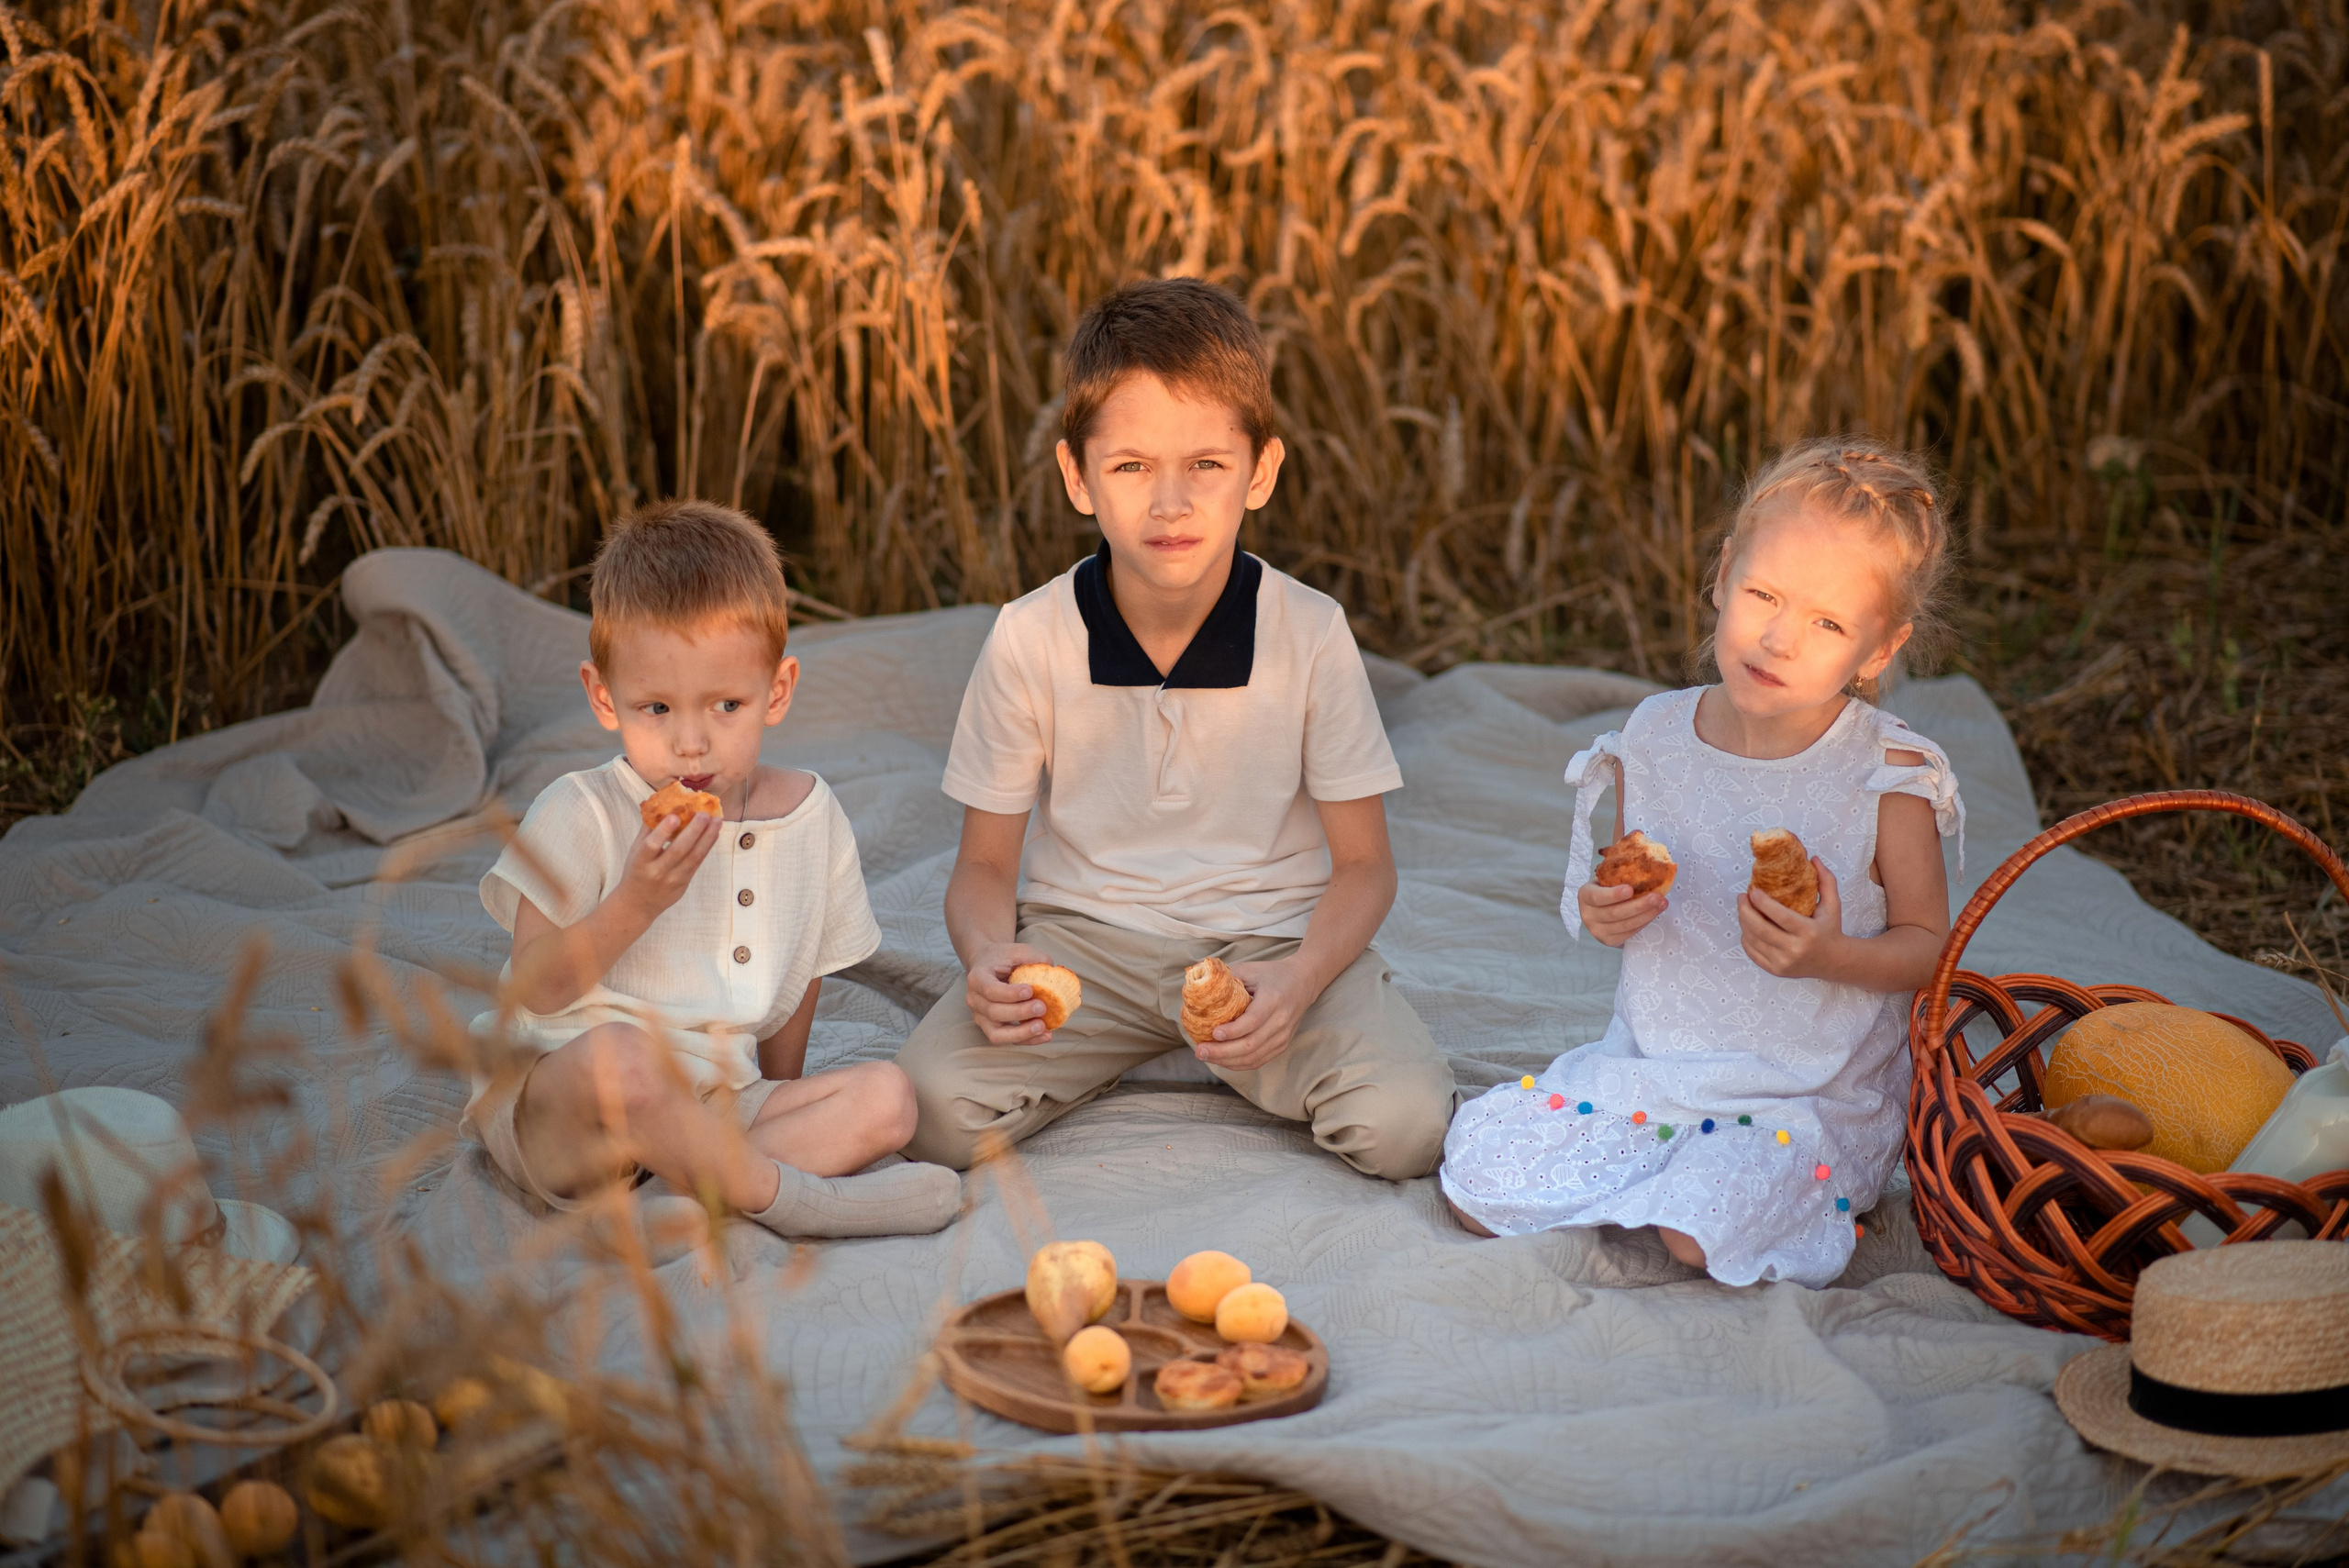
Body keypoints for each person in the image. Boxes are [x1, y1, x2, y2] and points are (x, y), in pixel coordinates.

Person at [896, 277, 1457, 1177]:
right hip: (1085, 944)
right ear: (1078, 477)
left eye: (1205, 464)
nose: (1169, 502)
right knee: (922, 1112)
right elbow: (985, 865)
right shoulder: (1030, 635)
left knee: (1406, 1126)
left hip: (1269, 943)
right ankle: (1138, 1045)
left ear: (1260, 471)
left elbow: (1364, 866)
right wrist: (991, 956)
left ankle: (1227, 1047)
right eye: (1129, 467)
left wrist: (1303, 977)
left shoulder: (1308, 632)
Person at [1440, 438, 1965, 1286]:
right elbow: (1626, 894)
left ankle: (1760, 1186)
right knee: (1485, 1178)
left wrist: (1832, 956)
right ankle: (1655, 1162)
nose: (1780, 637)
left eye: (1828, 623)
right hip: (1659, 1067)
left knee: (1697, 1229)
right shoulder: (1652, 737)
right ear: (1723, 575)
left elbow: (1931, 946)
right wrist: (1609, 912)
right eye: (1763, 594)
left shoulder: (1887, 777)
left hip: (1808, 1094)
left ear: (1879, 650)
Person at [465, 500, 960, 1238]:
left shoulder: (809, 816)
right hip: (567, 1103)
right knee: (625, 1058)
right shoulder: (583, 810)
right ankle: (798, 1202)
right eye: (656, 707)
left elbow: (804, 971)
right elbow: (533, 991)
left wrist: (779, 1095)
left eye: (727, 704)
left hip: (712, 1098)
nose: (690, 745)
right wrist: (637, 900)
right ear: (605, 697)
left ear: (778, 690)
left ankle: (681, 1196)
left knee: (889, 1097)